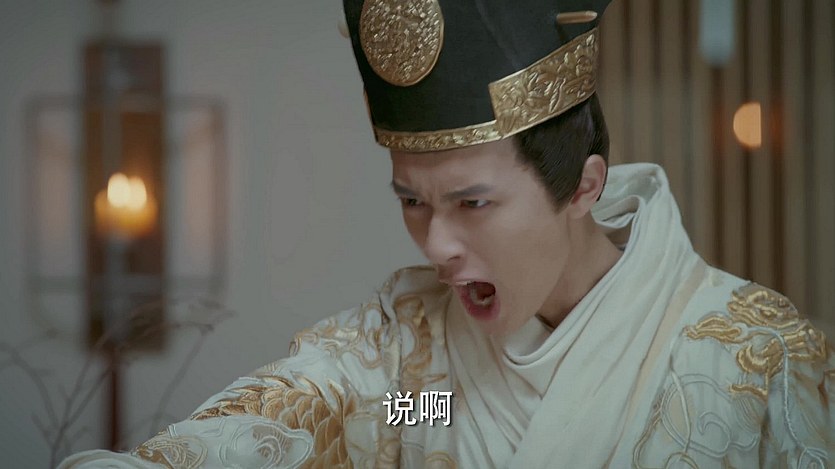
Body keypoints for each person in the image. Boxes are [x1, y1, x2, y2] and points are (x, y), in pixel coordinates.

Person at [61, 0, 833, 467]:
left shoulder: (754, 360)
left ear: (582, 186)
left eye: (472, 202)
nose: (434, 245)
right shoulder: (418, 382)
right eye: (412, 201)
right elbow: (318, 406)